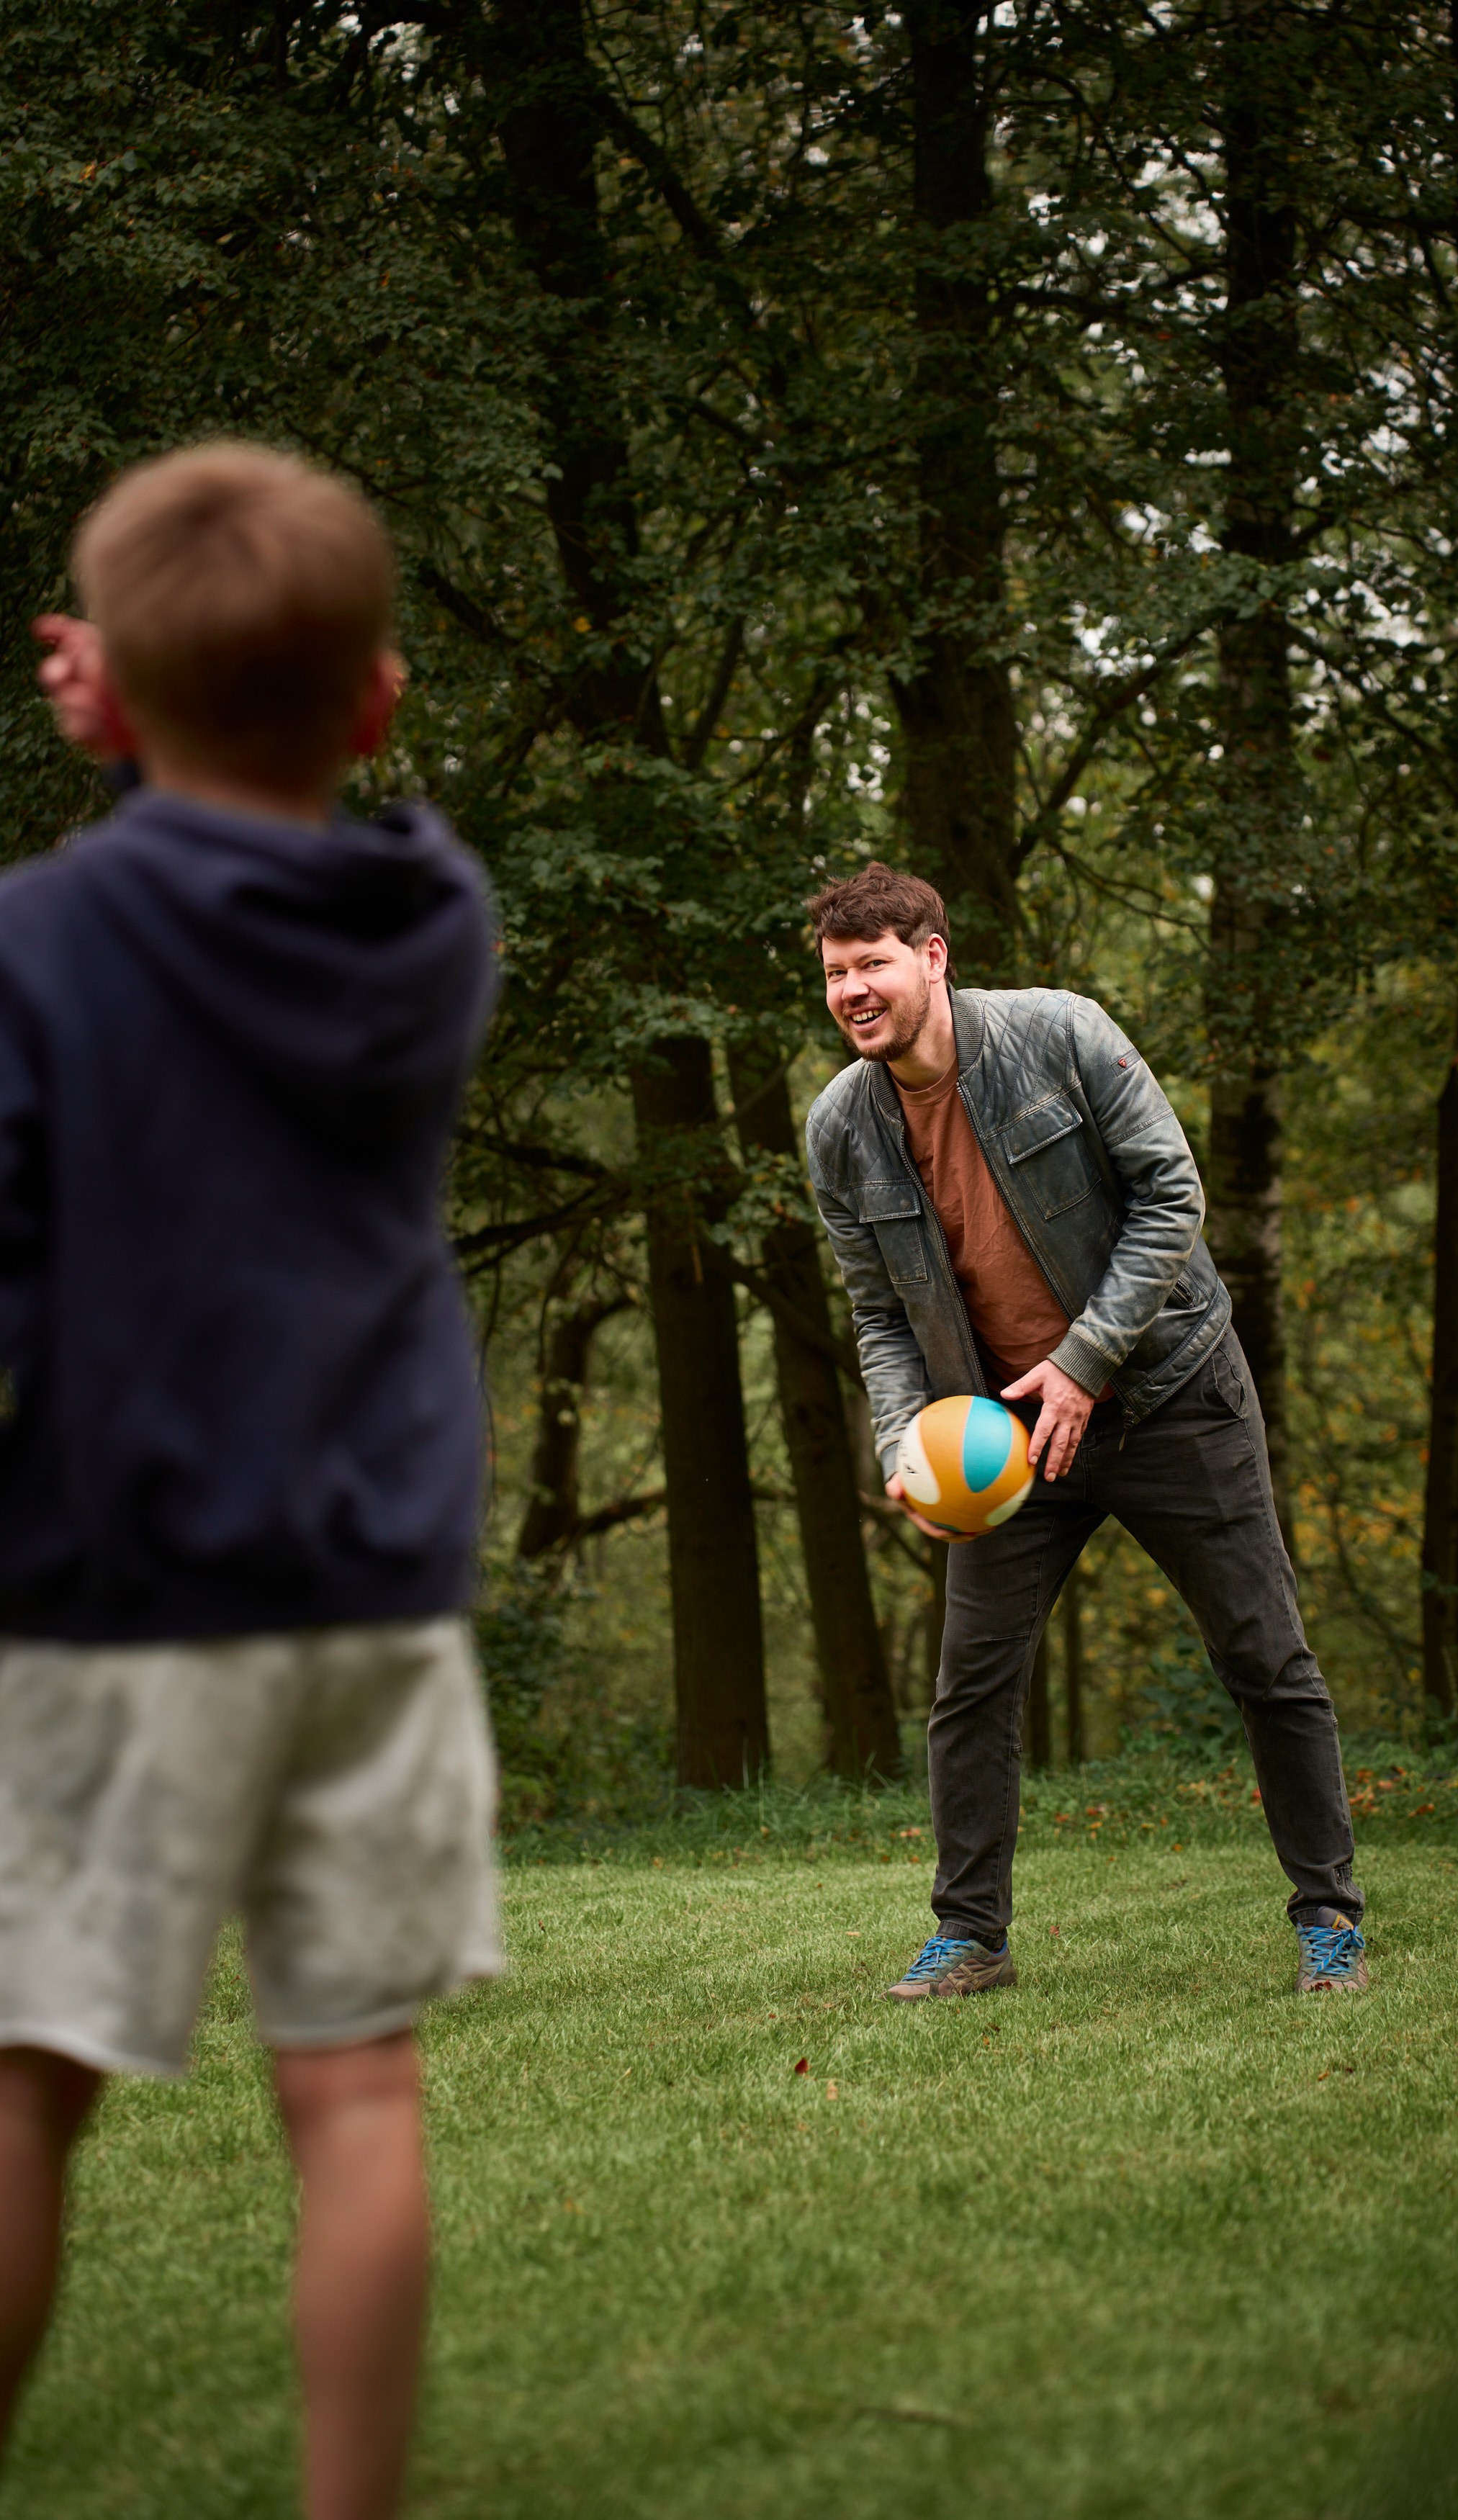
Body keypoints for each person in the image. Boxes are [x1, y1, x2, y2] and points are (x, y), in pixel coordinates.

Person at [0, 444, 502, 2520]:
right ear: (376, 701)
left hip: (117, 1588)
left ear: (97, 695)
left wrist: (123, 728)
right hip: (378, 1589)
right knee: (355, 2077)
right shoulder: (434, 924)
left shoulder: (38, 940)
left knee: (28, 2083)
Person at [804, 862, 1367, 2004]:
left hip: (1169, 1394)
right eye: (834, 973)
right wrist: (905, 1442)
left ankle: (1329, 1922)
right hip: (1004, 1438)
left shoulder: (1059, 1035)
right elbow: (877, 1310)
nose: (853, 991)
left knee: (1266, 1660)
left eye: (873, 965)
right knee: (969, 1688)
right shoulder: (840, 1128)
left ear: (933, 956)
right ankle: (970, 1935)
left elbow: (1171, 1197)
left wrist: (1080, 1363)